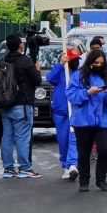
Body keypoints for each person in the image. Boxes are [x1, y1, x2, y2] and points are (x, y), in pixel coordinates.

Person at [67, 49, 107, 192]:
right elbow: (72, 95)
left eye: (101, 63)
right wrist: (87, 92)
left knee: (105, 149)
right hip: (83, 121)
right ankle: (84, 181)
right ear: (90, 61)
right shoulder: (78, 75)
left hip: (103, 120)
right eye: (96, 62)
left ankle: (101, 179)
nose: (98, 65)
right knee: (84, 152)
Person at [0, 33, 43, 179]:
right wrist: (37, 69)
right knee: (23, 137)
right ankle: (25, 168)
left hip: (6, 105)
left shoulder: (4, 61)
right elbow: (37, 80)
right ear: (20, 46)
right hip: (22, 104)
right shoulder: (25, 61)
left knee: (7, 137)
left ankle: (8, 168)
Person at [46, 48, 80, 180]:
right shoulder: (61, 71)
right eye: (74, 60)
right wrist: (60, 64)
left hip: (75, 110)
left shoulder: (79, 74)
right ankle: (66, 165)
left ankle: (72, 164)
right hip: (61, 110)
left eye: (77, 60)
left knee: (73, 137)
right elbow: (50, 78)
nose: (76, 62)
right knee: (63, 139)